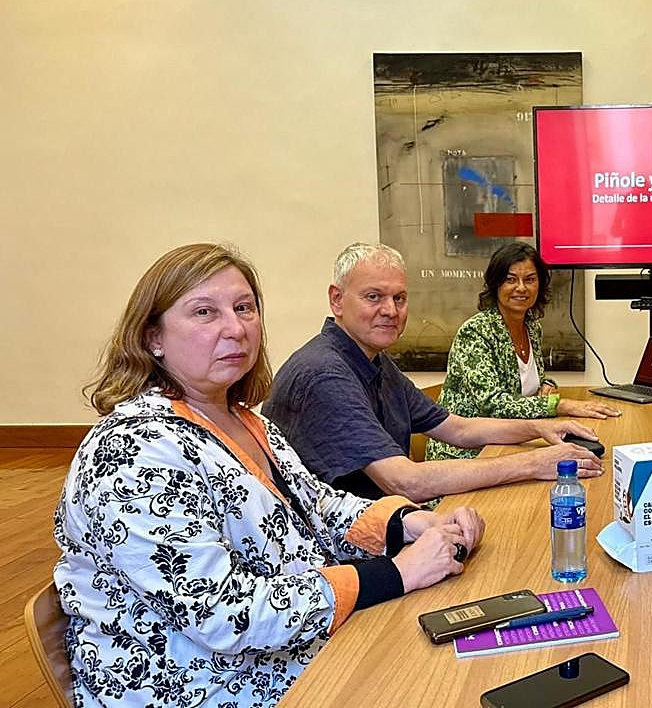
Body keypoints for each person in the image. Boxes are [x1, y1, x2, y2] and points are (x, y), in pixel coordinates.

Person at [55, 244, 484, 708]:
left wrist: (409, 523)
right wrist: (396, 573)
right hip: (204, 686)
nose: (235, 328)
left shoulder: (243, 419)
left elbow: (317, 506)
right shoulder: (133, 450)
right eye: (204, 312)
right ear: (152, 336)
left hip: (286, 649)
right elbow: (223, 615)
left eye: (244, 308)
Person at [263, 242, 602, 504]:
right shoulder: (325, 374)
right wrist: (536, 463)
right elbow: (405, 481)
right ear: (337, 300)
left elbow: (458, 427)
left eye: (399, 298)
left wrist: (543, 428)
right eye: (373, 297)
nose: (390, 310)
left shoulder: (374, 360)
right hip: (342, 556)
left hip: (389, 520)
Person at [430, 242, 620, 462]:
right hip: (467, 453)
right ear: (496, 284)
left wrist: (547, 385)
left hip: (511, 441)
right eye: (511, 280)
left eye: (529, 279)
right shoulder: (475, 332)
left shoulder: (531, 326)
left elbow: (527, 381)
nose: (521, 288)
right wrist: (559, 404)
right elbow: (493, 404)